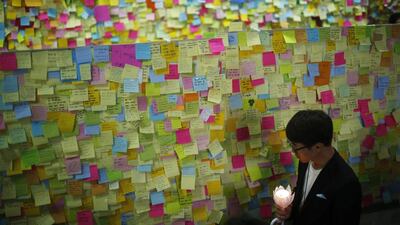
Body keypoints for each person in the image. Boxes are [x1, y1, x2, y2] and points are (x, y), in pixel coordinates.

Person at [275, 110, 362, 225]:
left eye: (295, 146)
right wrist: (291, 210)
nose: (292, 151)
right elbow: (305, 194)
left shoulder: (346, 183)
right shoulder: (305, 161)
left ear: (317, 147)